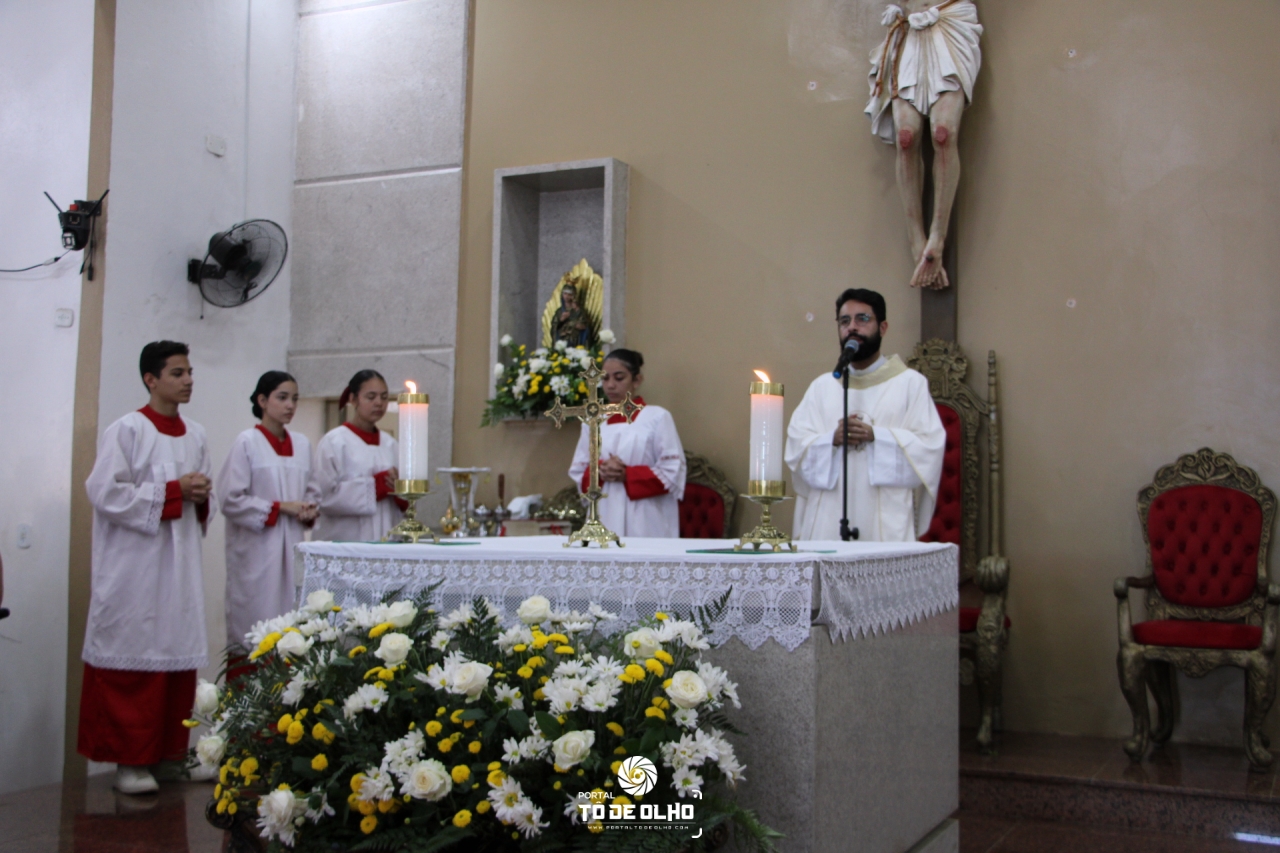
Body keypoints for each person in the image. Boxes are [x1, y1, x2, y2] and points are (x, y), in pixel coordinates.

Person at [79, 340, 214, 795]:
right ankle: (130, 762)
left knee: (176, 658)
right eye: (177, 373)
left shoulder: (196, 434)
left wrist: (200, 494)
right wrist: (175, 491)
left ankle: (171, 757)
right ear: (150, 379)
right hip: (134, 569)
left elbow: (204, 498)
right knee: (134, 662)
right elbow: (104, 492)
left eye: (190, 372)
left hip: (179, 568)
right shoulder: (127, 430)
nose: (188, 380)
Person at [785, 289, 945, 541]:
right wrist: (832, 440)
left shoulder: (910, 384)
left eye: (862, 319)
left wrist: (875, 436)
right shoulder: (822, 387)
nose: (852, 327)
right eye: (844, 321)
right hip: (828, 521)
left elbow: (929, 448)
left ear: (883, 327)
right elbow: (797, 449)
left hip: (885, 523)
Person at [864, 0, 983, 290]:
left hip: (950, 24)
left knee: (944, 134)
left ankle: (937, 239)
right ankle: (918, 243)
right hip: (910, 30)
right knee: (906, 138)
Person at [215, 371, 316, 663]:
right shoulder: (247, 442)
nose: (290, 405)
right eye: (282, 398)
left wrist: (309, 509)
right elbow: (231, 499)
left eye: (294, 399)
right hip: (257, 553)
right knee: (256, 624)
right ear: (262, 400)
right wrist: (280, 507)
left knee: (292, 624)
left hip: (292, 546)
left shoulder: (302, 445)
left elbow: (313, 490)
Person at [567, 349, 686, 537]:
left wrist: (627, 474)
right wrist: (600, 470)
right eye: (605, 378)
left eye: (619, 378)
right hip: (604, 512)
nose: (610, 385)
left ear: (636, 380)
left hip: (646, 517)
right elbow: (579, 471)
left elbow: (672, 471)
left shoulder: (657, 417)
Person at [308, 369, 404, 541]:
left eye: (384, 397)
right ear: (353, 399)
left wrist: (400, 491)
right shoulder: (334, 442)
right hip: (346, 541)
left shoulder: (391, 445)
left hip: (385, 538)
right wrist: (374, 487)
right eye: (371, 397)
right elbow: (322, 497)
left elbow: (404, 503)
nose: (379, 403)